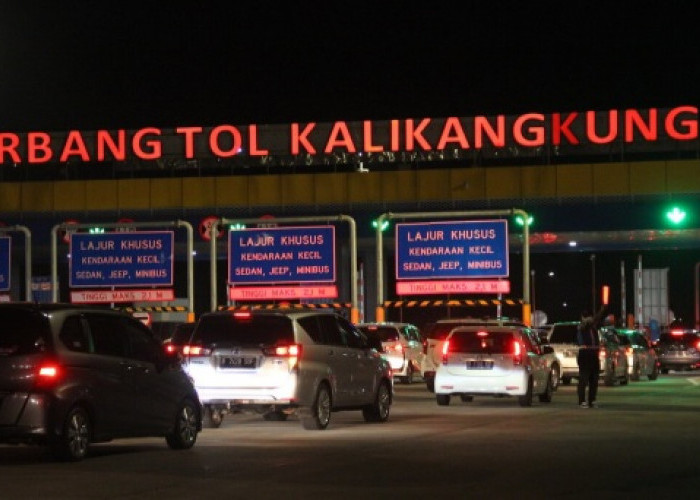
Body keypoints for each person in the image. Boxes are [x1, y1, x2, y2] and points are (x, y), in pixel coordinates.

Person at [576, 305, 607, 408]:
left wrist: (602, 310)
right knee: (584, 379)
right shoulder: (582, 326)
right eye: (587, 317)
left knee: (594, 379)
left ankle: (592, 400)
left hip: (594, 355)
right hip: (585, 355)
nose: (590, 319)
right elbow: (592, 321)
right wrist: (600, 312)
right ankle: (582, 401)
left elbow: (597, 319)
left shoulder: (593, 327)